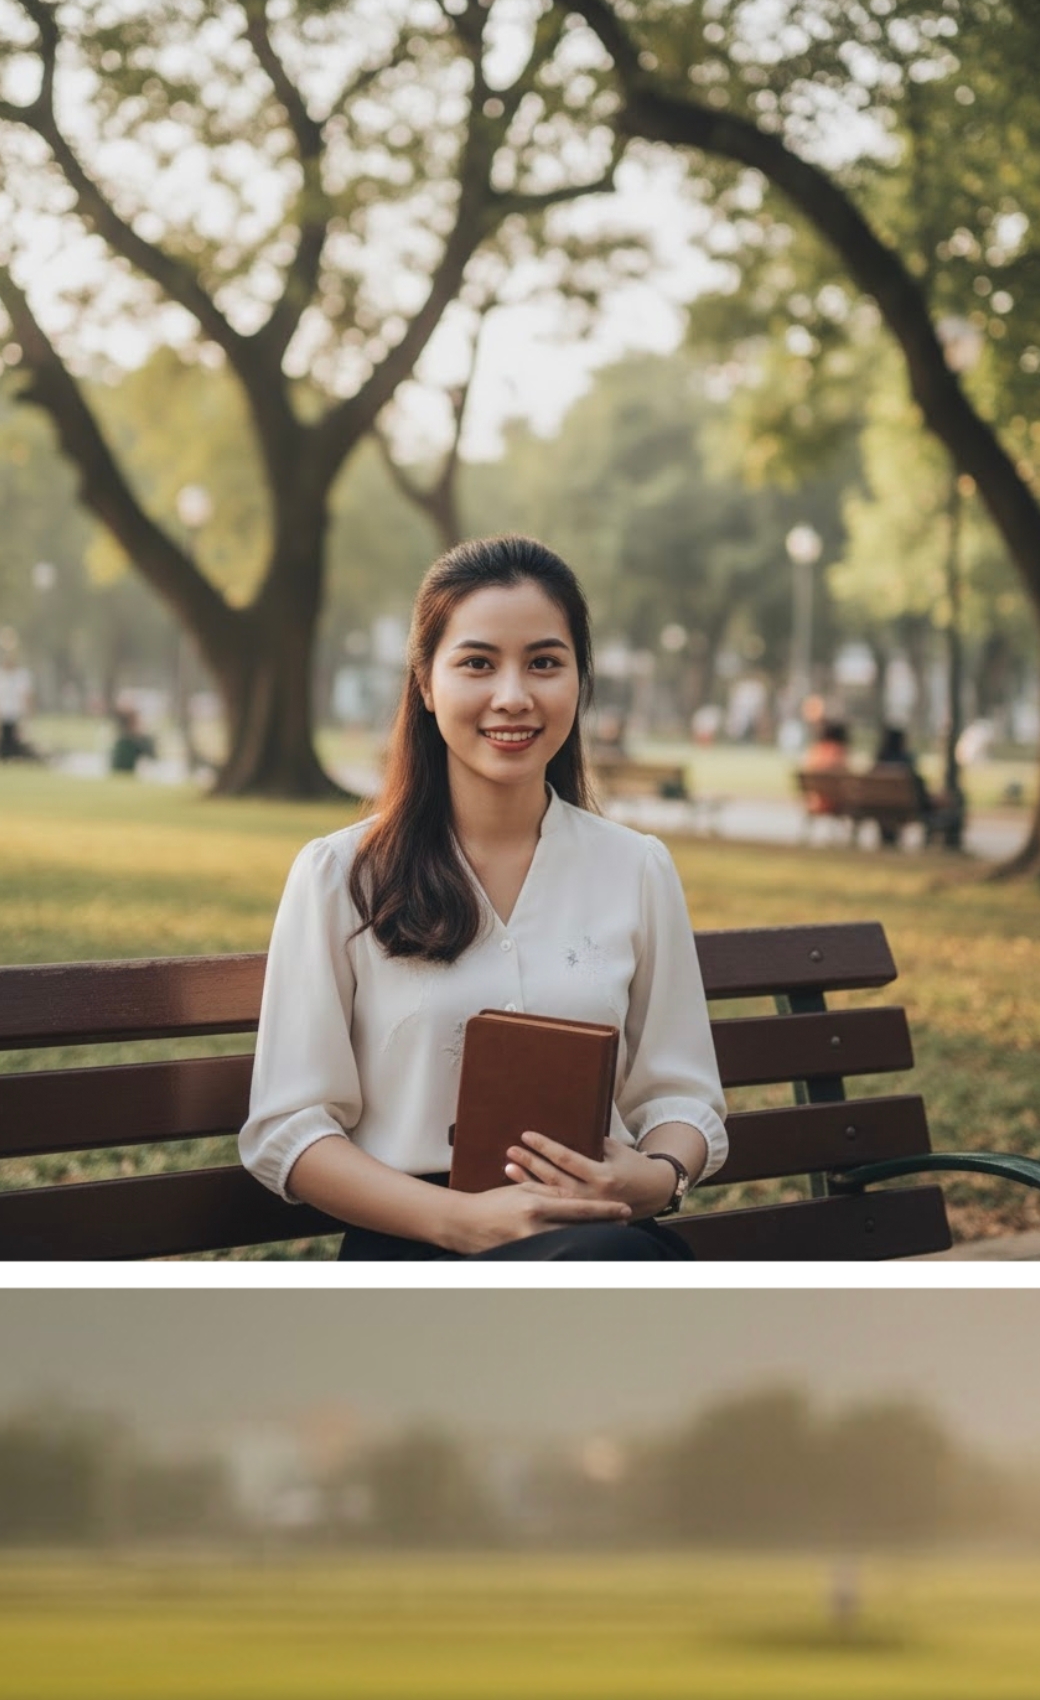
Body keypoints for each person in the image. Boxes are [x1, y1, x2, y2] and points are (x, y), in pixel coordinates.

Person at [238, 534, 725, 1261]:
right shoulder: (341, 876)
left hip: (597, 1236)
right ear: (426, 685)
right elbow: (289, 1130)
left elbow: (682, 1094)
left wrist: (658, 1175)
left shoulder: (637, 869)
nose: (513, 696)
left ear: (579, 683)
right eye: (476, 663)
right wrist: (459, 1222)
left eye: (545, 663)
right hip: (417, 1246)